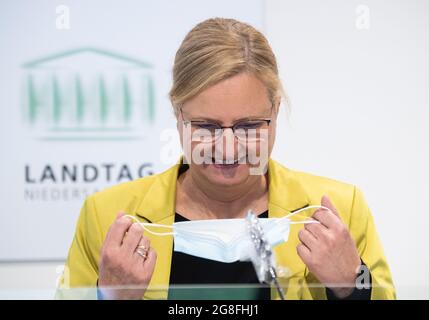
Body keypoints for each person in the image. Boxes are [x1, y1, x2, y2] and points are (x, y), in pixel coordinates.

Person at [57, 17, 395, 300]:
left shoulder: (336, 211)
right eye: (206, 126)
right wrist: (108, 297)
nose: (229, 150)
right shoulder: (109, 218)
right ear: (178, 114)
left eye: (248, 126)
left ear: (275, 111)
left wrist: (354, 286)